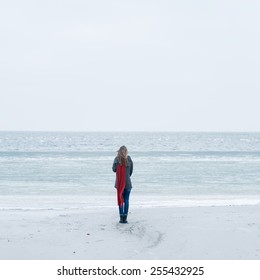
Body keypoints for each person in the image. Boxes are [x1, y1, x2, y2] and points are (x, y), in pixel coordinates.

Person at [112, 146, 133, 224]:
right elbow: (131, 171)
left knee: (120, 199)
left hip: (119, 183)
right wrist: (127, 177)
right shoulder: (129, 159)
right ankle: (125, 218)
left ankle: (121, 218)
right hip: (127, 183)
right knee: (126, 200)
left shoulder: (116, 159)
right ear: (126, 151)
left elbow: (114, 170)